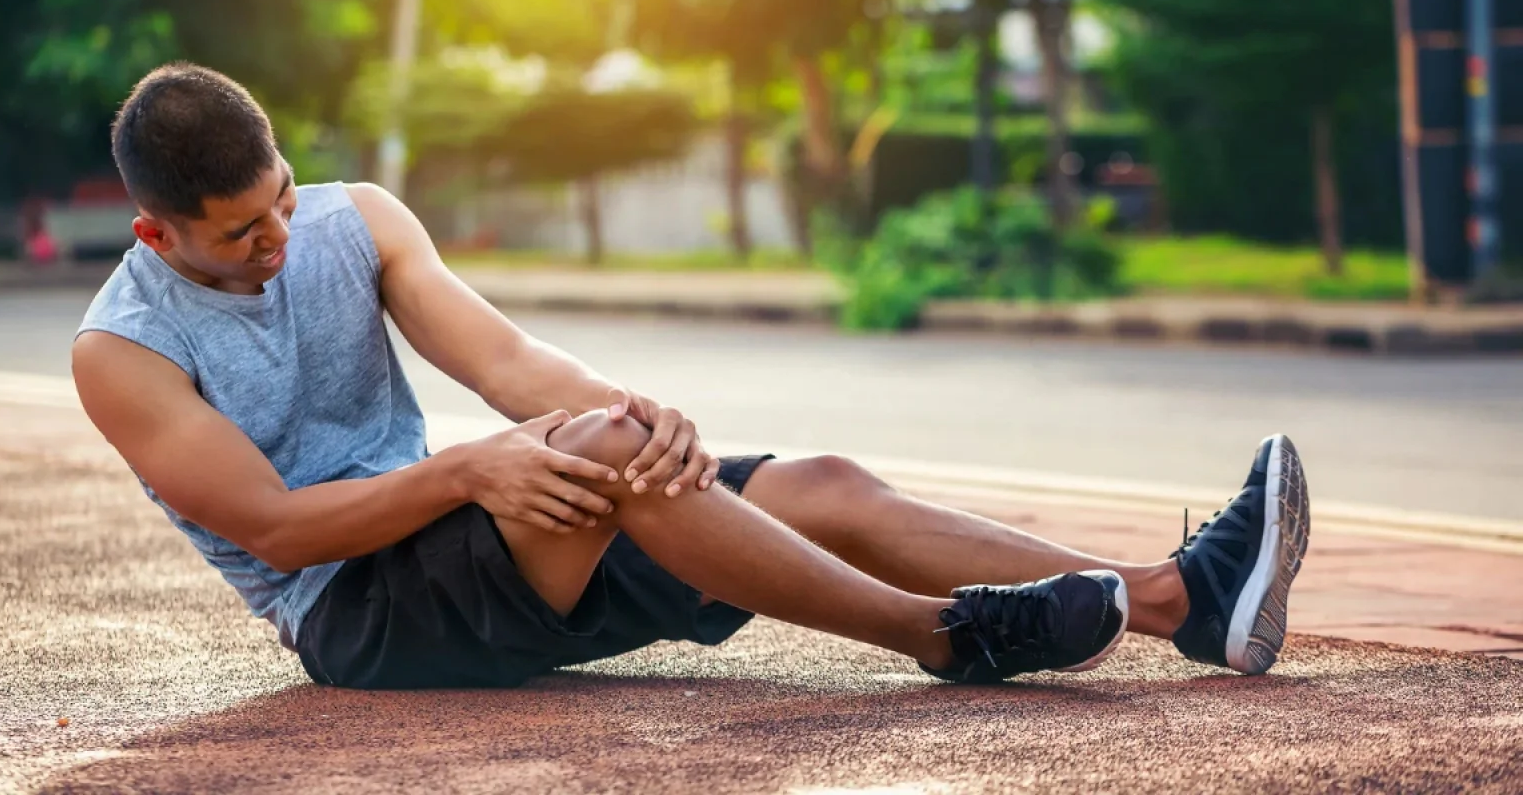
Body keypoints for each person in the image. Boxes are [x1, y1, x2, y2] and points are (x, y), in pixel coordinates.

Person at [73, 63, 1310, 690]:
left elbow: (506, 362)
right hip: (362, 615)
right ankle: (945, 639)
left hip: (495, 539)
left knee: (809, 479)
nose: (280, 239)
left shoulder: (361, 220)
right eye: (243, 233)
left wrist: (631, 411)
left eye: (282, 199)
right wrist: (468, 472)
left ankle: (1176, 604)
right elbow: (280, 534)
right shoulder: (121, 351)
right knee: (598, 457)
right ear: (159, 233)